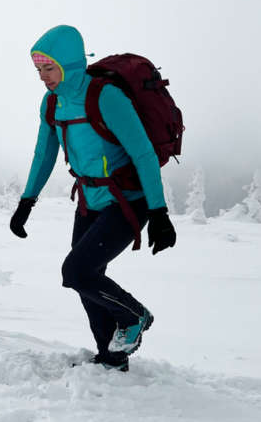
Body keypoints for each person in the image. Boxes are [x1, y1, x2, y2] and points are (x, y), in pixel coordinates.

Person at [9, 25, 177, 372]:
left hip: (128, 200)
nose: (43, 77)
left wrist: (159, 213)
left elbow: (143, 154)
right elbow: (45, 153)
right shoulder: (52, 102)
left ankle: (134, 316)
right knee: (88, 280)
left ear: (69, 64)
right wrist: (27, 202)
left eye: (49, 68)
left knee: (76, 272)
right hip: (89, 199)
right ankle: (111, 358)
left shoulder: (105, 97)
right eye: (39, 70)